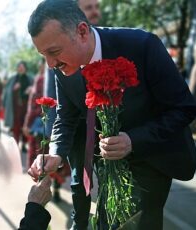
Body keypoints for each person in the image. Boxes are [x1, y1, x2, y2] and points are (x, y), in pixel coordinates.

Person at [27, 0, 196, 229]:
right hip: (105, 171)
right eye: (43, 55)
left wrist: (133, 141)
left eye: (53, 52)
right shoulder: (62, 66)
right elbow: (66, 116)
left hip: (150, 161)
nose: (49, 64)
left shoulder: (142, 45)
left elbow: (184, 107)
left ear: (82, 32)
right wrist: (56, 153)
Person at [43, 0, 102, 204]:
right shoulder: (57, 57)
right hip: (76, 130)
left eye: (96, 7)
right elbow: (58, 103)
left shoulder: (109, 45)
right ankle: (80, 221)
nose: (94, 12)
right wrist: (54, 146)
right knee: (79, 181)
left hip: (107, 135)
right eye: (88, 8)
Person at [3, 61, 33, 151]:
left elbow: (35, 90)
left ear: (25, 68)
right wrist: (13, 89)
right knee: (15, 126)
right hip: (15, 107)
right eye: (19, 67)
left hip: (26, 106)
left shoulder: (30, 79)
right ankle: (16, 145)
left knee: (25, 125)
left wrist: (30, 90)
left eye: (22, 67)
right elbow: (7, 91)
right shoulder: (13, 79)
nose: (20, 68)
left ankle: (24, 144)